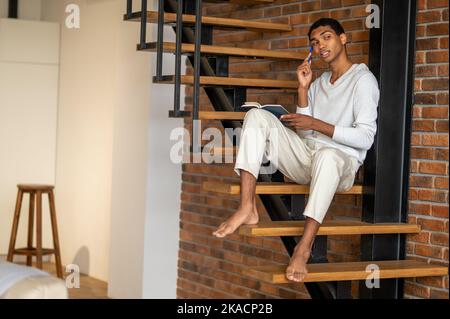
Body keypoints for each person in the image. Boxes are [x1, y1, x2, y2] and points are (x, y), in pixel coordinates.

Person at [212, 18, 380, 282]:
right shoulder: (319, 81)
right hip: (308, 156)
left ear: (343, 39)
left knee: (327, 155)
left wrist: (316, 123)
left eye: (326, 37)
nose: (320, 45)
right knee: (256, 117)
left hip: (342, 165)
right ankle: (247, 206)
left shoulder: (363, 80)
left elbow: (365, 137)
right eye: (314, 42)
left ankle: (304, 246)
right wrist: (303, 89)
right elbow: (306, 133)